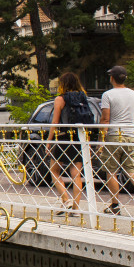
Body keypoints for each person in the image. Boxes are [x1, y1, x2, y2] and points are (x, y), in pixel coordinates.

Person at [100, 65, 134, 215]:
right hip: (130, 135)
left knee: (111, 171)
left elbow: (105, 119)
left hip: (114, 136)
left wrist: (101, 140)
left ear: (112, 78)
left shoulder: (107, 95)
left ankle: (115, 205)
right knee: (131, 168)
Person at [47, 72, 89, 212]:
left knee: (54, 170)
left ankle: (66, 200)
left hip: (64, 138)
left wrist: (49, 141)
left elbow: (55, 121)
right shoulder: (83, 97)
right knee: (76, 174)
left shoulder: (61, 99)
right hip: (79, 138)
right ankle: (76, 207)